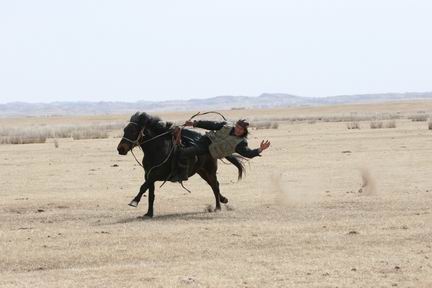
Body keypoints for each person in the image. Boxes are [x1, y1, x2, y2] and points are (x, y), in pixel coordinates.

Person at [171, 118, 271, 181]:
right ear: (235, 125)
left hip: (209, 150)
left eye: (241, 129)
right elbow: (212, 124)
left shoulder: (240, 143)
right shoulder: (226, 125)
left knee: (184, 152)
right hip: (205, 139)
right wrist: (195, 123)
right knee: (183, 134)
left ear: (244, 131)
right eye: (237, 127)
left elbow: (248, 153)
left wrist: (259, 149)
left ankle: (182, 175)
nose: (238, 130)